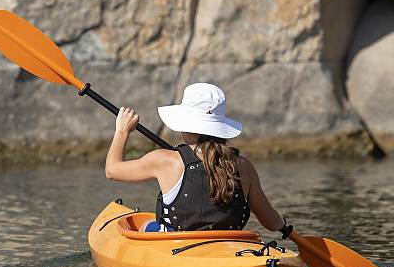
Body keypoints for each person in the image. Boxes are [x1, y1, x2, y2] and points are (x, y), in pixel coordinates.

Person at [105, 83, 293, 237]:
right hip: (230, 246)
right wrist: (286, 228)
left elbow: (112, 171)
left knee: (147, 224)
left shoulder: (165, 160)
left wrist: (122, 131)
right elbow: (270, 222)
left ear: (185, 123)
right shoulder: (243, 165)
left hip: (177, 246)